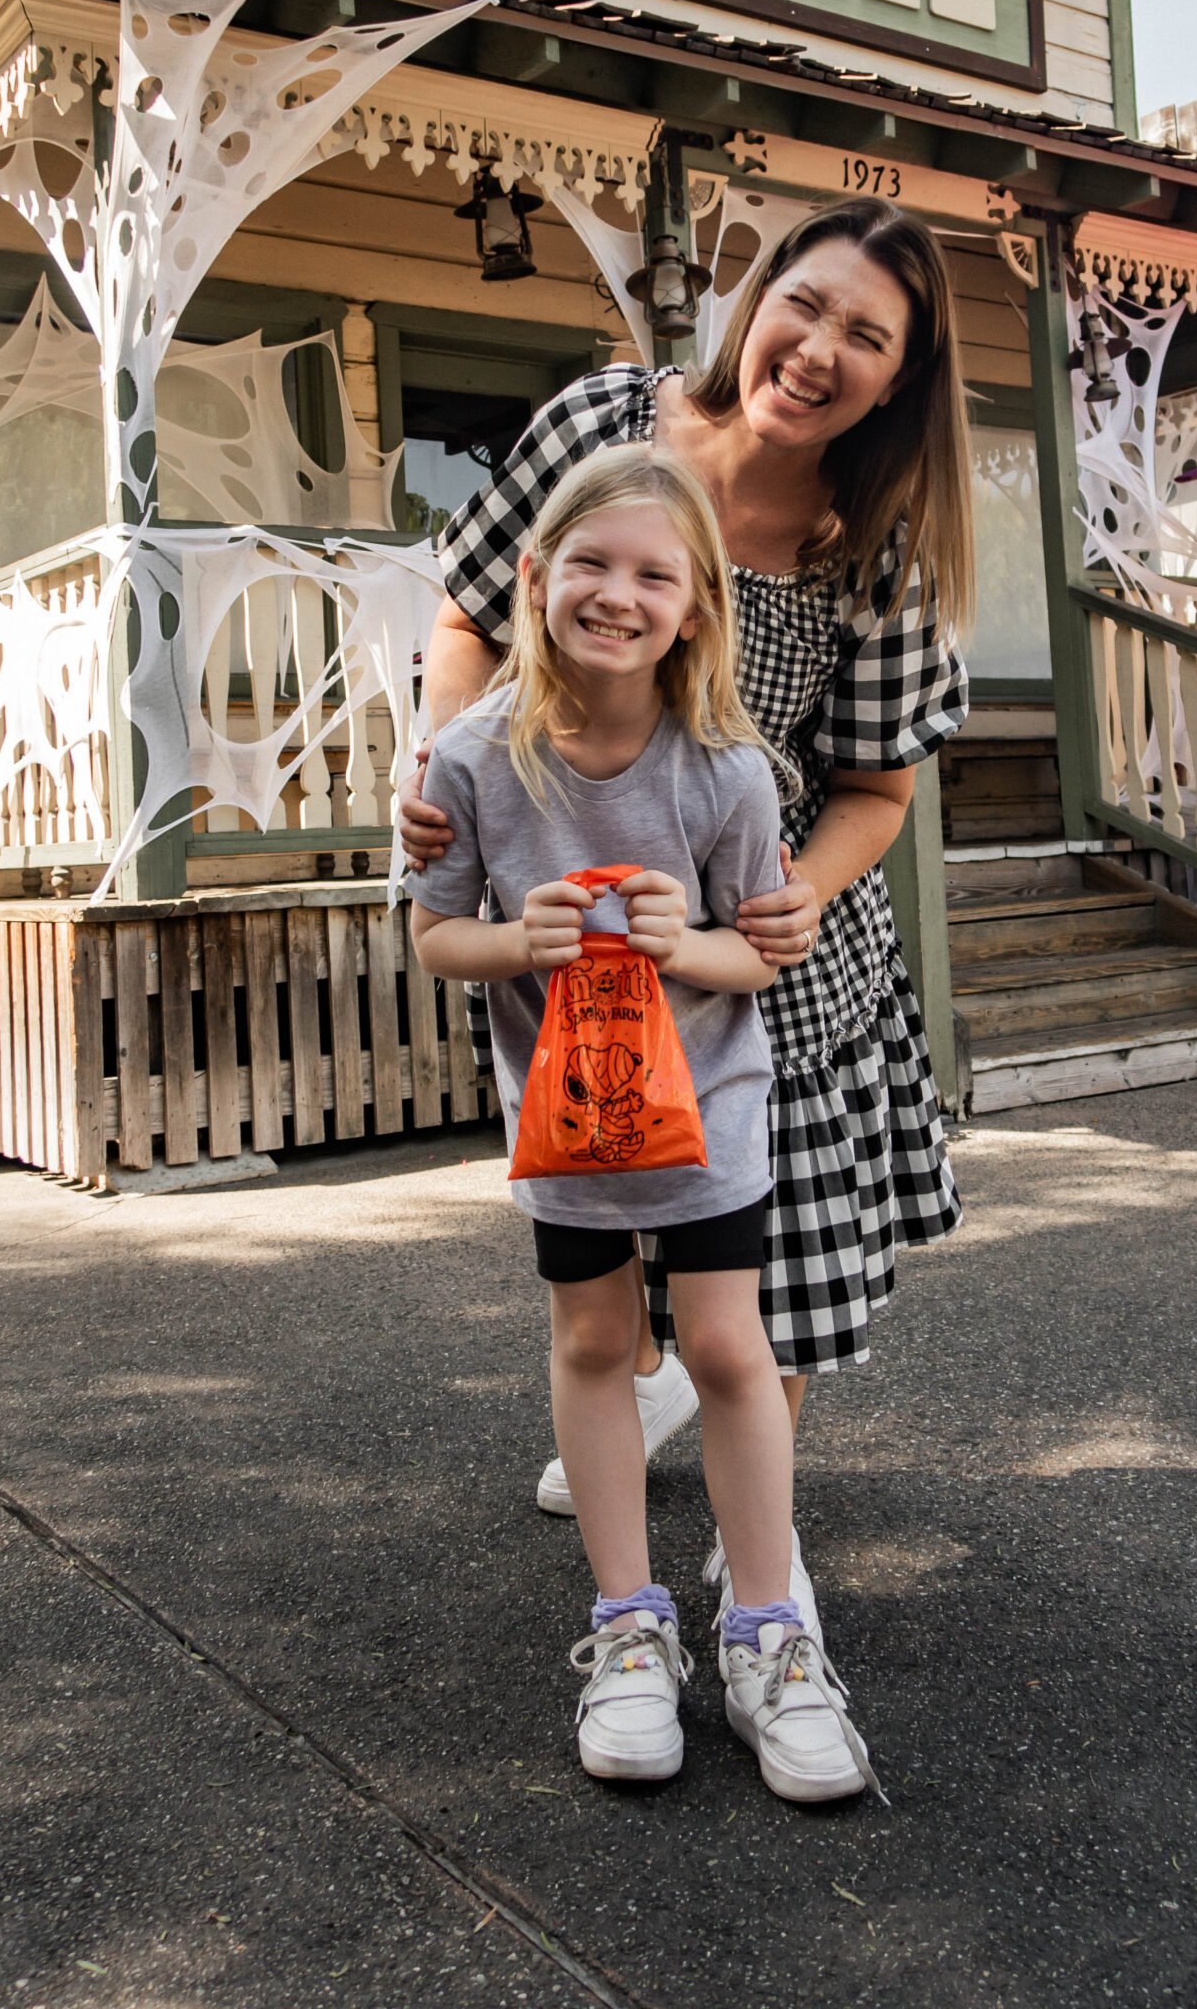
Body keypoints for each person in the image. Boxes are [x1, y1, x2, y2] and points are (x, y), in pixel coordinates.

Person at [401, 195, 971, 1624]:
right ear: (757, 295)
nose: (819, 347)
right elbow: (475, 607)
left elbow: (876, 793)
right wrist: (445, 769)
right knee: (604, 1220)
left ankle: (746, 1538)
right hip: (579, 906)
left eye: (867, 337)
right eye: (808, 303)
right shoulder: (608, 422)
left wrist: (790, 905)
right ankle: (641, 1432)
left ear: (898, 379)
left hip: (761, 922)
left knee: (763, 1253)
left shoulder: (879, 540)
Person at [407, 447, 879, 1801]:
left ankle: (767, 1631)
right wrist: (515, 940)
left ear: (695, 611)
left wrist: (691, 943)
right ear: (535, 577)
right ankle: (629, 1624)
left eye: (655, 575)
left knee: (729, 1345)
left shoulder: (726, 773)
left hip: (706, 1109)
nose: (618, 595)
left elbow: (760, 955)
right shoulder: (472, 757)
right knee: (596, 1339)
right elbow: (436, 934)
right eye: (591, 565)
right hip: (566, 1123)